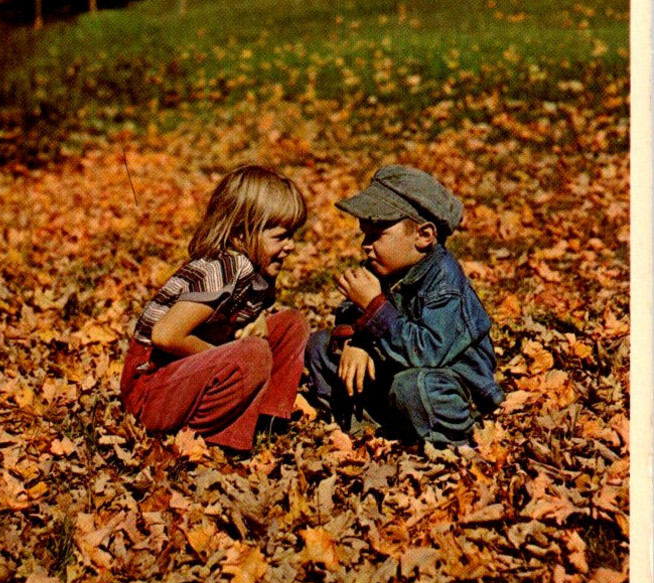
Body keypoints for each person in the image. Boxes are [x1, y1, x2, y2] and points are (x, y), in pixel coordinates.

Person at [306, 165, 503, 447]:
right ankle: (356, 421)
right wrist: (354, 339)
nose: (365, 245)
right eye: (365, 234)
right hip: (395, 366)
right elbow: (349, 310)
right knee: (321, 345)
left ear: (423, 236)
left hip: (449, 382)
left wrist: (373, 308)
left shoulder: (444, 282)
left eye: (377, 235)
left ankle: (448, 436)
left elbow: (428, 352)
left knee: (415, 388)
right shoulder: (385, 266)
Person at [121, 165, 310, 452]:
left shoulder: (254, 270)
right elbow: (166, 335)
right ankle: (220, 442)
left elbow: (249, 311)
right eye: (281, 236)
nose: (291, 246)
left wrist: (257, 317)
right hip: (150, 390)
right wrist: (227, 357)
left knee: (291, 324)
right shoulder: (225, 268)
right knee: (252, 354)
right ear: (240, 235)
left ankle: (267, 420)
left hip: (185, 376)